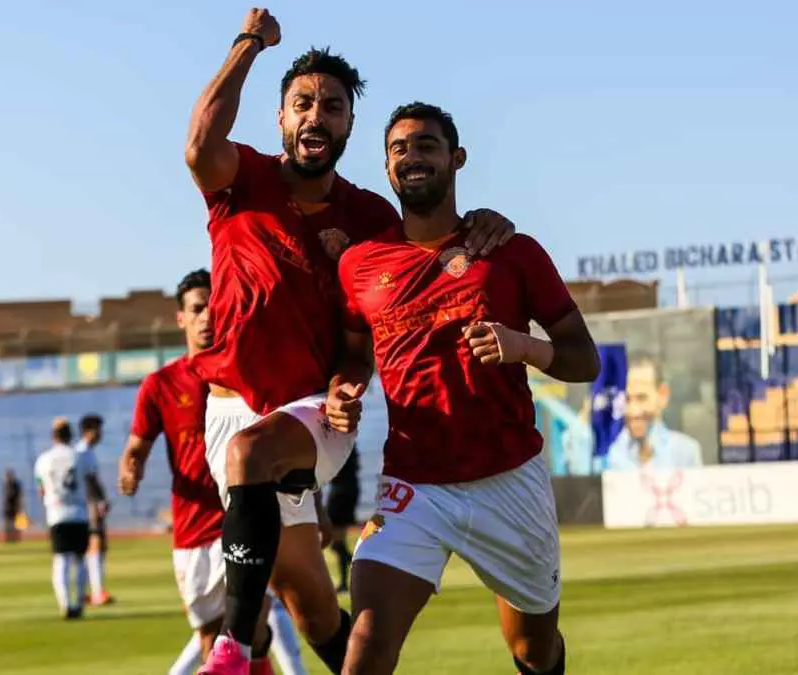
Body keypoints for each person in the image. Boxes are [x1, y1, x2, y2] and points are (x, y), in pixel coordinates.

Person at [184, 10, 514, 674]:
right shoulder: (240, 180)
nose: (318, 115)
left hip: (312, 415)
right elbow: (198, 144)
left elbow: (391, 309)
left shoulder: (370, 219)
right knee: (309, 602)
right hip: (227, 411)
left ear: (348, 126)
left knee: (255, 454)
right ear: (280, 119)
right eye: (303, 103)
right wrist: (248, 44)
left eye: (333, 106)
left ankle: (231, 650)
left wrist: (482, 218)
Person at [331, 102, 602, 675]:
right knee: (366, 646)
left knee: (533, 650)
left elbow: (586, 360)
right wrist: (343, 389)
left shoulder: (510, 251)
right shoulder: (359, 265)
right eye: (400, 149)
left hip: (508, 481)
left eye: (427, 145)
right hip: (413, 484)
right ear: (387, 169)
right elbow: (354, 358)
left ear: (456, 159)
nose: (413, 157)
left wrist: (526, 347)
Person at [118, 269, 309, 675]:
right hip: (194, 532)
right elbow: (136, 446)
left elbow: (289, 447)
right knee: (213, 642)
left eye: (212, 307)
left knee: (253, 632)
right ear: (181, 318)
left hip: (246, 518)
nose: (206, 316)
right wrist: (130, 467)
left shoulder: (247, 374)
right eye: (197, 308)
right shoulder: (160, 385)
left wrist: (316, 509)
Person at [35, 417, 105, 619]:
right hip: (79, 513)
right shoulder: (79, 456)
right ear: (70, 435)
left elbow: (41, 489)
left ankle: (65, 604)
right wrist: (101, 501)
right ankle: (79, 603)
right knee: (80, 560)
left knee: (60, 561)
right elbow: (92, 481)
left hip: (56, 513)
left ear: (53, 436)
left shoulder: (43, 459)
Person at [604, 352, 703, 472]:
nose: (634, 411)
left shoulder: (685, 452)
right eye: (626, 399)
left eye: (642, 398)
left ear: (663, 395)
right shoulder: (608, 453)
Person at [76, 413, 114, 605]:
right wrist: (100, 501)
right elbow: (90, 481)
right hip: (90, 504)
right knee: (95, 544)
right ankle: (97, 591)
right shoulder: (82, 452)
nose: (101, 434)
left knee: (96, 545)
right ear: (89, 431)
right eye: (98, 430)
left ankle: (93, 590)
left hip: (89, 503)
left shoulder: (85, 452)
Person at [325, 447, 359, 593]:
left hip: (340, 494)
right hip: (348, 492)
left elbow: (330, 472)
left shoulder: (340, 449)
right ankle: (346, 582)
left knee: (337, 544)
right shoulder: (349, 447)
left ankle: (359, 566)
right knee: (338, 544)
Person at [3, 468, 23, 543]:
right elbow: (5, 496)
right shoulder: (6, 484)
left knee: (16, 524)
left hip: (15, 507)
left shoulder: (16, 484)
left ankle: (16, 538)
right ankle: (8, 538)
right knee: (8, 523)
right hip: (8, 507)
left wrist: (19, 506)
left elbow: (19, 496)